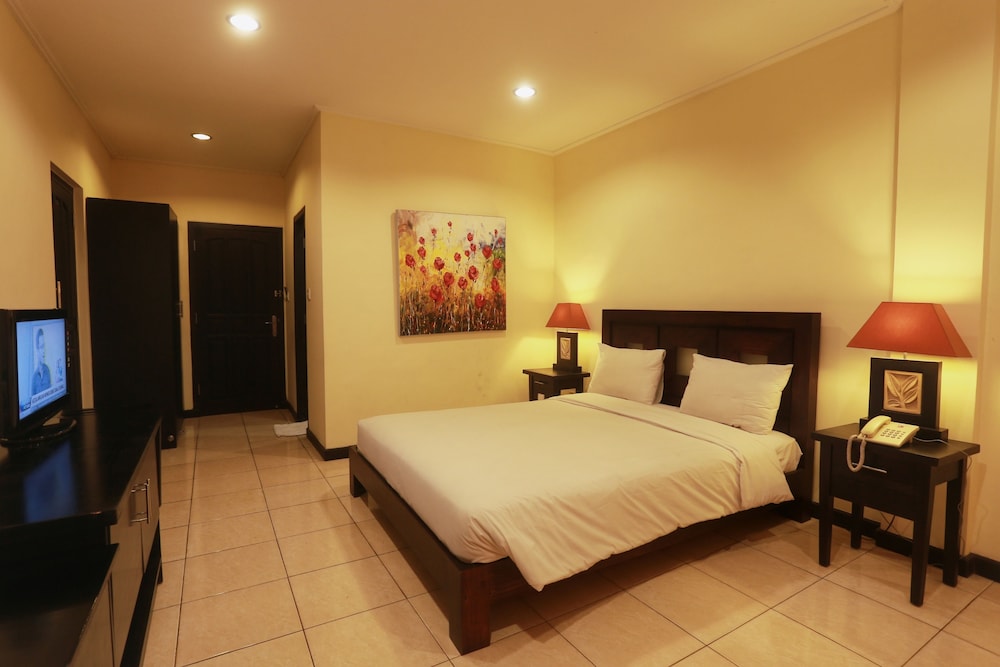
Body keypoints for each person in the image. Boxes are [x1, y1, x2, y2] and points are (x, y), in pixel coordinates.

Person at [31, 328, 52, 394]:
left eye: (44, 346)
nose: (44, 351)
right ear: (37, 350)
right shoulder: (34, 378)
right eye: (41, 347)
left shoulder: (47, 370)